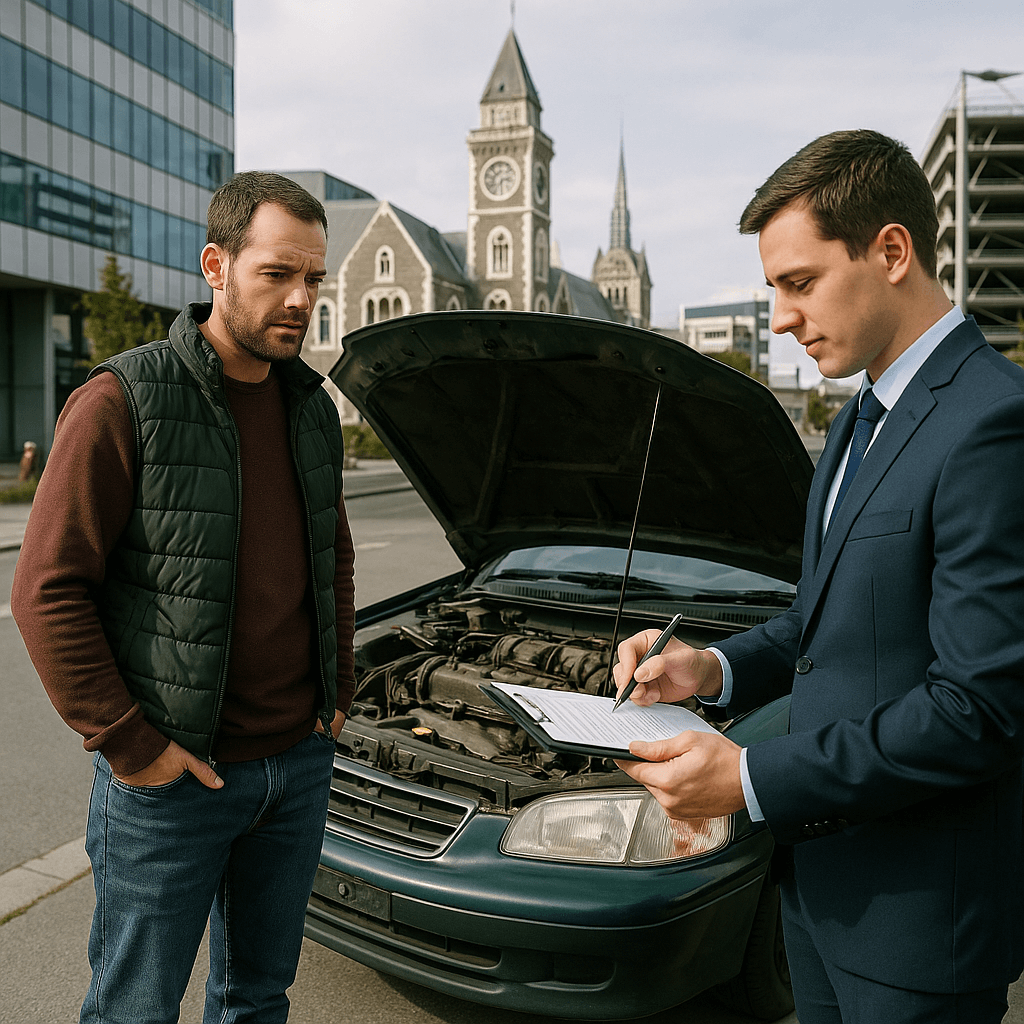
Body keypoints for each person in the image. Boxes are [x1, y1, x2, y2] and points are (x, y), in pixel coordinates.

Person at [613, 130, 1024, 1023]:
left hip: (920, 927)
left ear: (891, 250)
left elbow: (980, 710)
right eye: (774, 292)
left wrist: (754, 778)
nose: (784, 319)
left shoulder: (996, 424)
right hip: (817, 895)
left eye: (799, 284)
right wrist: (711, 668)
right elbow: (824, 621)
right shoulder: (858, 418)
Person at [11, 171, 355, 1024]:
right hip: (172, 782)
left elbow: (332, 559)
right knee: (134, 1008)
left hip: (296, 768)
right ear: (216, 265)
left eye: (314, 278)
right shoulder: (123, 397)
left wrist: (334, 694)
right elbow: (45, 590)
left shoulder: (312, 411)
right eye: (277, 274)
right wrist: (131, 747)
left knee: (256, 999)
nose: (300, 299)